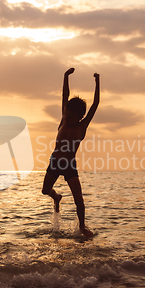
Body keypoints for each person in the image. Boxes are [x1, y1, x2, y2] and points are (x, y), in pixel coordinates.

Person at [41, 68, 100, 239]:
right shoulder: (63, 119)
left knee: (78, 199)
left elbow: (95, 104)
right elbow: (64, 95)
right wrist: (65, 76)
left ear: (80, 117)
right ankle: (56, 197)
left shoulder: (82, 127)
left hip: (69, 166)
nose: (66, 117)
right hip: (54, 161)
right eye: (66, 114)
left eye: (71, 116)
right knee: (45, 190)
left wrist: (97, 81)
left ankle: (82, 226)